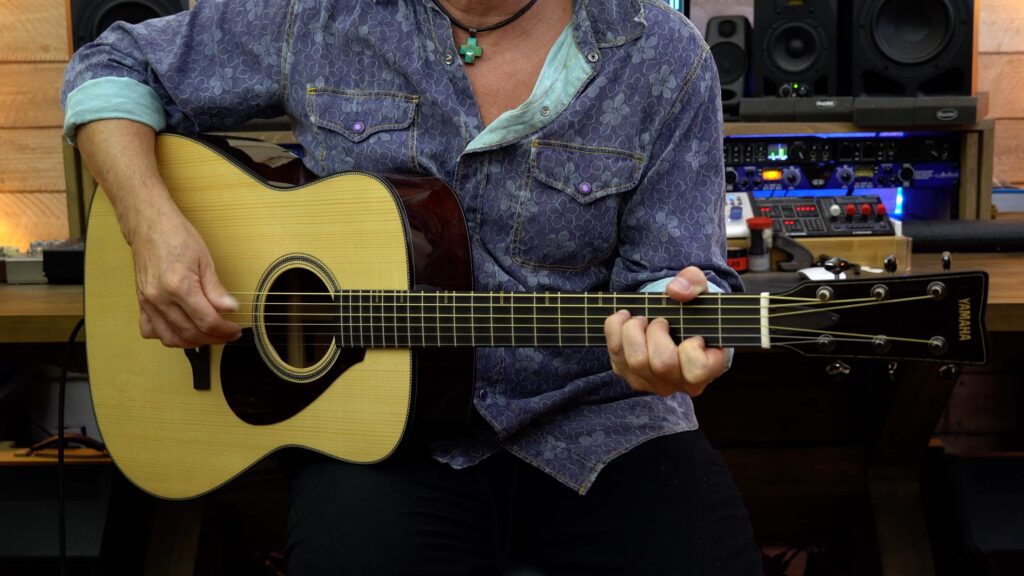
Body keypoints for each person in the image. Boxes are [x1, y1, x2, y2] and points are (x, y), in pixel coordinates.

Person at [62, 0, 761, 573]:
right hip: (384, 436)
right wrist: (151, 225)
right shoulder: (318, 15)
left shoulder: (663, 55)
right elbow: (110, 66)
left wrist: (684, 338)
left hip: (601, 427)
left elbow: (679, 276)